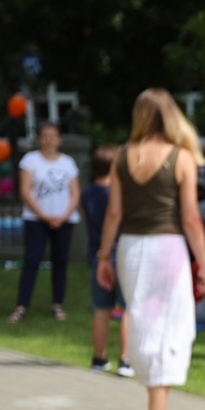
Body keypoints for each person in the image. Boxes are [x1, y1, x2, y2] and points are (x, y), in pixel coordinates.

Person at [96, 90, 205, 410]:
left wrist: (103, 255)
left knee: (145, 325)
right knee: (169, 329)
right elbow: (191, 217)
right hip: (168, 249)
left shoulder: (121, 157)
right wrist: (204, 262)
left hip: (131, 248)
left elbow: (113, 212)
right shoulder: (181, 158)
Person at [12, 121, 81, 323]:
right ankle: (21, 306)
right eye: (45, 135)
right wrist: (44, 215)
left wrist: (64, 216)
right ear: (39, 138)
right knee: (32, 261)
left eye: (53, 135)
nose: (49, 140)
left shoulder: (68, 162)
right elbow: (25, 191)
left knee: (60, 262)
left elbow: (75, 193)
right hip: (36, 219)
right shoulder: (30, 160)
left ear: (59, 139)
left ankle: (58, 304)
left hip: (64, 220)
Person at [83, 145, 133, 377]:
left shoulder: (87, 193)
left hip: (96, 254)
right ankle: (125, 360)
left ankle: (99, 358)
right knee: (126, 310)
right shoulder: (115, 194)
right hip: (118, 253)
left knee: (101, 309)